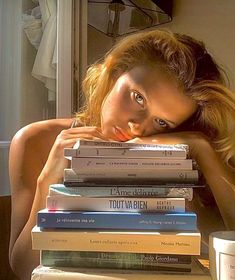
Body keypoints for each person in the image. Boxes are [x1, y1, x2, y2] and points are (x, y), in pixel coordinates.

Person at [9, 29, 235, 280]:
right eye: (138, 97)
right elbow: (22, 268)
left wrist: (202, 147)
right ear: (114, 71)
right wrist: (49, 178)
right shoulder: (36, 140)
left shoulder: (181, 158)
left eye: (162, 122)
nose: (137, 126)